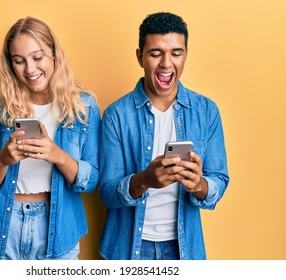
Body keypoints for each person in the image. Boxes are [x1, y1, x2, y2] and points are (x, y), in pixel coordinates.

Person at [98, 12, 229, 260]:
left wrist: (198, 185)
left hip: (184, 249)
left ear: (186, 54)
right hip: (127, 250)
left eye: (176, 53)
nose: (166, 64)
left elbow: (219, 179)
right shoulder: (117, 114)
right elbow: (106, 193)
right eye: (156, 53)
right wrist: (144, 180)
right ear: (140, 57)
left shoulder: (206, 111)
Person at [0, 17, 100, 260]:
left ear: (53, 54)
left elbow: (91, 179)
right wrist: (3, 160)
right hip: (0, 230)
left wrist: (57, 155)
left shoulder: (84, 107)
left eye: (37, 57)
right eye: (19, 61)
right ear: (11, 64)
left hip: (57, 231)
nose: (29, 69)